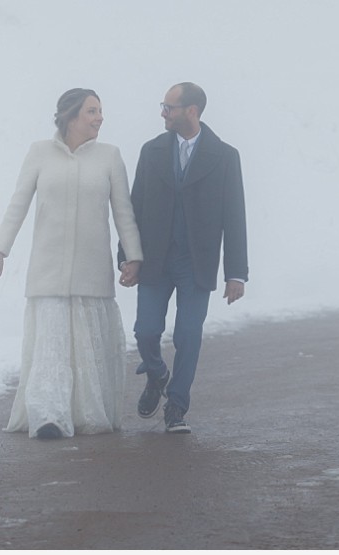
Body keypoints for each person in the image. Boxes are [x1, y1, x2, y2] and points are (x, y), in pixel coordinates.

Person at [0, 88, 143, 440]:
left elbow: (123, 213)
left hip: (92, 271)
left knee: (86, 349)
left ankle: (87, 414)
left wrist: (134, 256)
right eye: (91, 111)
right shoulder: (39, 153)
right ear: (71, 117)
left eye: (100, 110)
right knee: (52, 346)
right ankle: (49, 416)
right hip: (48, 271)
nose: (100, 117)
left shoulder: (109, 157)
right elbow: (18, 204)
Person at [124, 82, 248, 434]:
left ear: (191, 111)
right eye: (163, 106)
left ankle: (176, 406)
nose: (163, 113)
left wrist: (236, 272)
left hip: (197, 261)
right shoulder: (152, 151)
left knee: (188, 335)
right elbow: (134, 207)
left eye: (169, 107)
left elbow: (234, 214)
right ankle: (156, 374)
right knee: (146, 331)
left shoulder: (225, 156)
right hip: (154, 259)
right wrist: (127, 257)